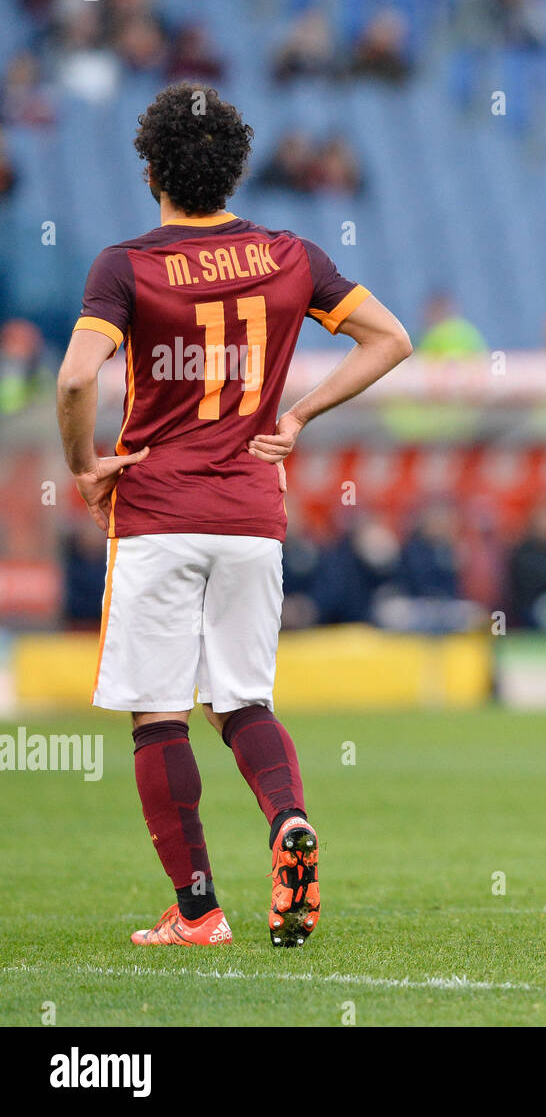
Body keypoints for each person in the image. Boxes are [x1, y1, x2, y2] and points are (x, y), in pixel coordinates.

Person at [55, 83, 412, 948]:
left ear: (150, 173)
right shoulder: (291, 254)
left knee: (159, 713)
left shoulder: (126, 264)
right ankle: (288, 817)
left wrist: (83, 466)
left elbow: (73, 378)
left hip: (158, 509)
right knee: (244, 700)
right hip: (253, 513)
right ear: (237, 168)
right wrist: (296, 418)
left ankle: (197, 908)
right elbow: (392, 338)